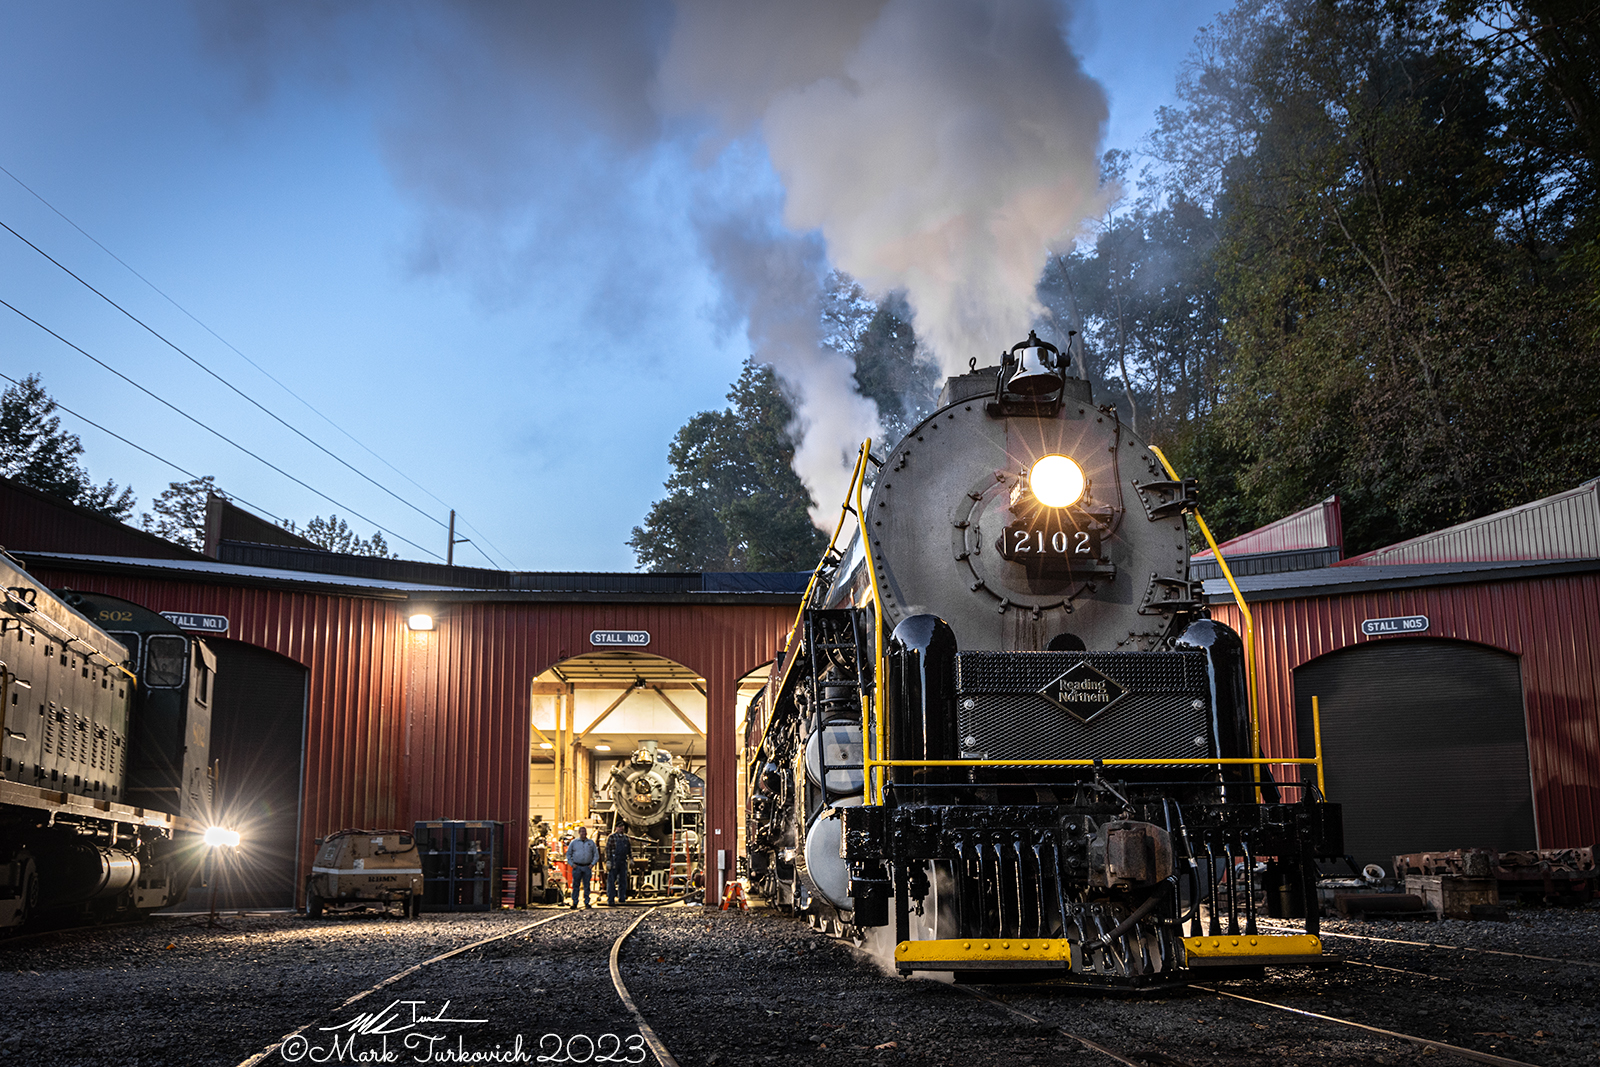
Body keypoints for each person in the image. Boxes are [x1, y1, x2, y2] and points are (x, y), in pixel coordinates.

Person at [565, 826, 598, 909]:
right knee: (576, 885)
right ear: (579, 833)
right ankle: (575, 902)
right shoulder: (574, 843)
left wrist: (592, 864)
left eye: (585, 832)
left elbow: (596, 855)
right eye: (582, 832)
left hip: (587, 867)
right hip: (577, 867)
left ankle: (587, 902)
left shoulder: (591, 843)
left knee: (587, 885)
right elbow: (568, 854)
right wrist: (571, 864)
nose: (584, 833)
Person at [605, 829, 632, 906]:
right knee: (611, 881)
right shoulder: (611, 837)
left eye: (622, 827)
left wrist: (631, 858)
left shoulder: (626, 838)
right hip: (614, 861)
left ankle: (622, 898)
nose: (621, 829)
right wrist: (608, 860)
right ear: (616, 828)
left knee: (623, 880)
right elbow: (607, 849)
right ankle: (611, 899)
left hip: (623, 861)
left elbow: (629, 850)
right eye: (620, 827)